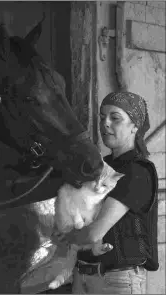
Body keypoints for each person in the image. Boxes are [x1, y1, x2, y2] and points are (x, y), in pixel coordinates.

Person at [63, 91, 159, 294]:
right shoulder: (100, 167)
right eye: (102, 117)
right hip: (81, 278)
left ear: (135, 126)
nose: (105, 123)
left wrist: (63, 239)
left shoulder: (137, 171)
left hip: (116, 281)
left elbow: (93, 233)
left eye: (115, 118)